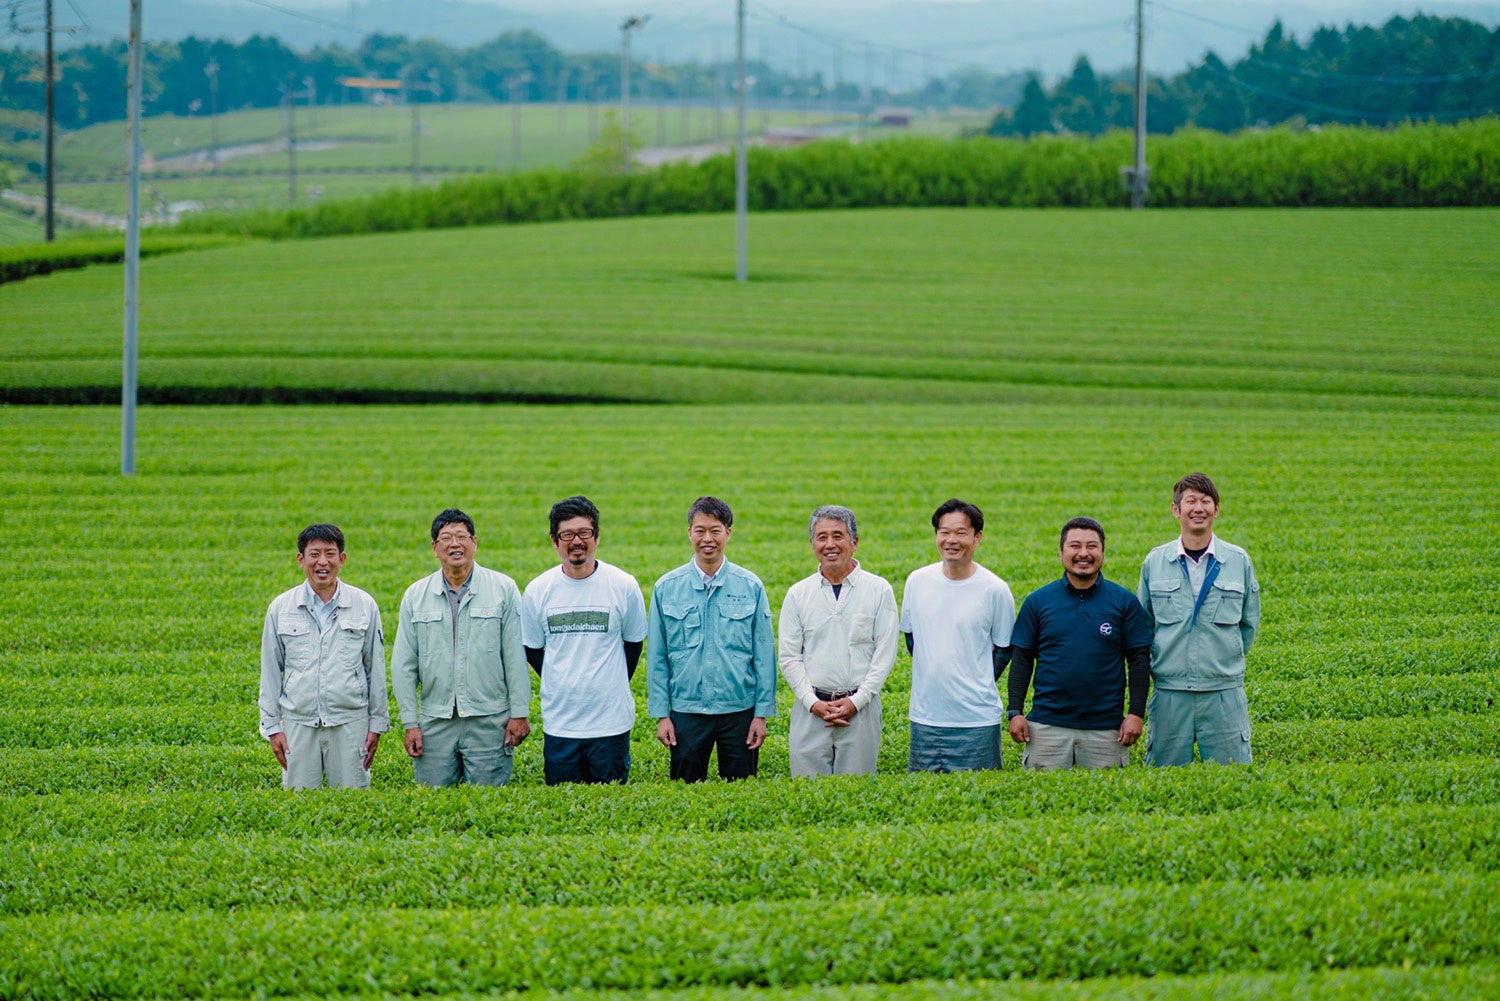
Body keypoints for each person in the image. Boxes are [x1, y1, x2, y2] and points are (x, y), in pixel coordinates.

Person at [390, 508, 531, 786]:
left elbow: (515, 656)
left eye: (462, 537)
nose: (455, 544)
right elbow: (403, 665)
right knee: (434, 803)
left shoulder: (503, 589)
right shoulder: (416, 595)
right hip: (435, 722)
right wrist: (410, 723)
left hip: (489, 720)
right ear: (435, 548)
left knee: (489, 803)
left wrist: (519, 713)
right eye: (446, 538)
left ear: (474, 543)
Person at [1006, 517, 1152, 770]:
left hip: (1106, 729)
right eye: (1075, 546)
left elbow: (1139, 660)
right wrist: (1015, 711)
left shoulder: (1124, 602)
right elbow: (1022, 659)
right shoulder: (1038, 601)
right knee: (1042, 793)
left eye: (1092, 546)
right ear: (1061, 552)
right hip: (1046, 727)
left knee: (1106, 794)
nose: (1083, 553)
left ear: (1102, 552)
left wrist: (1136, 713)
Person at [647, 496, 776, 782]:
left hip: (739, 710)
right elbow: (657, 657)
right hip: (686, 711)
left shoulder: (750, 586)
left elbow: (764, 655)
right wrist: (662, 714)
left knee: (741, 791)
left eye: (715, 531)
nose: (708, 539)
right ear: (689, 533)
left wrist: (761, 714)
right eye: (700, 530)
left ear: (728, 533)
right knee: (685, 791)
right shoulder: (666, 588)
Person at [1136, 473, 1261, 766]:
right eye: (1190, 501)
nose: (1198, 508)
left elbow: (1248, 623)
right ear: (1175, 510)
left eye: (1206, 501)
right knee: (1164, 779)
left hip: (1223, 692)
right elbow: (1144, 623)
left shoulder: (1237, 560)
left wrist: (1221, 661)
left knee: (1232, 778)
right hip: (1170, 692)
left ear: (1216, 509)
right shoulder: (1155, 561)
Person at [521, 495, 647, 785]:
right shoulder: (538, 590)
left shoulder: (623, 585)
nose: (576, 541)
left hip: (610, 725)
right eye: (567, 535)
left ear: (597, 537)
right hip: (561, 725)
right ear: (554, 541)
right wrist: (560, 679)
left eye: (584, 533)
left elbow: (633, 645)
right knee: (564, 803)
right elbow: (533, 650)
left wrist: (610, 681)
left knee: (611, 803)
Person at [258, 523, 388, 790]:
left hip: (350, 723)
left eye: (330, 554)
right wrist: (272, 727)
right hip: (298, 723)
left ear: (342, 559)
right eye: (314, 554)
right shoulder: (281, 608)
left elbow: (375, 668)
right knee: (300, 803)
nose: (322, 562)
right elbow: (270, 671)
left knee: (353, 804)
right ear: (300, 559)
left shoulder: (364, 605)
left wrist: (377, 723)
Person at [777, 505, 900, 777]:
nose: (830, 544)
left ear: (854, 542)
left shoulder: (878, 590)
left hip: (861, 710)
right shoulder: (798, 594)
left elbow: (885, 653)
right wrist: (812, 702)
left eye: (838, 536)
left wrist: (857, 700)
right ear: (812, 544)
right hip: (810, 710)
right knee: (807, 792)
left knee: (857, 792)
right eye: (821, 537)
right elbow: (789, 657)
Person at [899, 498, 1016, 773]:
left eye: (961, 533)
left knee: (979, 794)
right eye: (944, 532)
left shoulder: (995, 589)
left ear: (977, 538)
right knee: (924, 795)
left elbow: (1004, 649)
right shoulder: (917, 581)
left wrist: (975, 680)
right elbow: (912, 638)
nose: (951, 540)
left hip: (977, 720)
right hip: (926, 718)